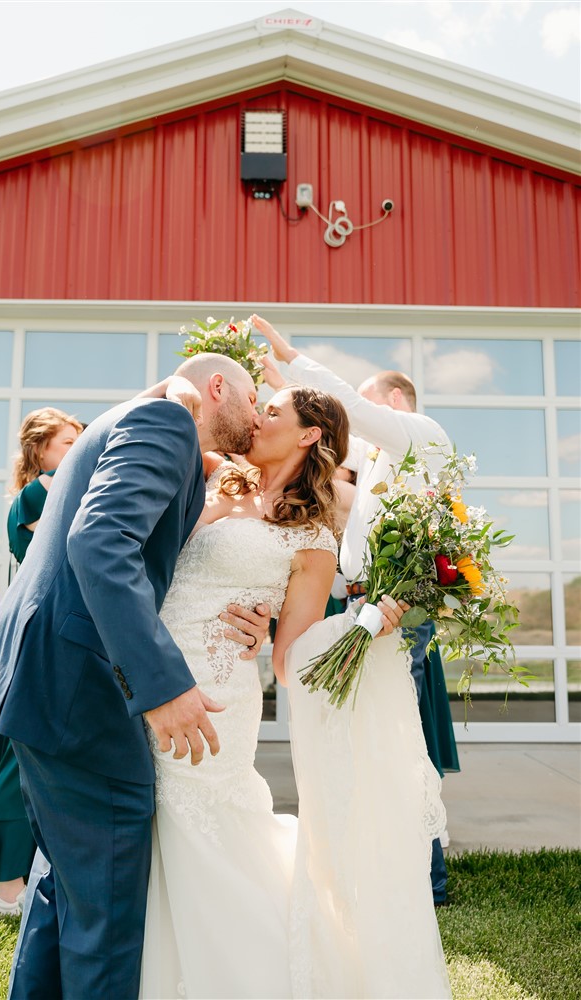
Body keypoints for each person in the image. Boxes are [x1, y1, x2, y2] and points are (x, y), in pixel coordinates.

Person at [0, 355, 272, 1000]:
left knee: (66, 887)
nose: (258, 409)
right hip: (80, 686)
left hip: (48, 676)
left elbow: (153, 558)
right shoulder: (166, 420)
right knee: (106, 905)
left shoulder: (138, 422)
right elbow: (101, 542)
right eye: (252, 395)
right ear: (219, 387)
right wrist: (159, 687)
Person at [139, 383, 450, 999]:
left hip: (221, 692)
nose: (256, 418)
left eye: (272, 411)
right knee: (148, 822)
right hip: (150, 674)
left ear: (309, 434)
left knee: (196, 824)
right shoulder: (207, 476)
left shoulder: (312, 537)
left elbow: (291, 663)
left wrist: (366, 621)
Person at [252, 314, 460, 906]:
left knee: (395, 737)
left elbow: (344, 408)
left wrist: (291, 362)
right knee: (371, 735)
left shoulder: (420, 434)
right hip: (369, 604)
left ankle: (424, 882)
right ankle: (387, 868)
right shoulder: (381, 464)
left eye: (371, 413)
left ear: (394, 402)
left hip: (397, 612)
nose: (361, 432)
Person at [0, 407, 83, 916]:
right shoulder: (37, 494)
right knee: (20, 767)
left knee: (33, 763)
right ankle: (7, 890)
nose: (77, 452)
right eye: (67, 444)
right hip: (34, 645)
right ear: (40, 453)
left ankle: (27, 874)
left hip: (53, 641)